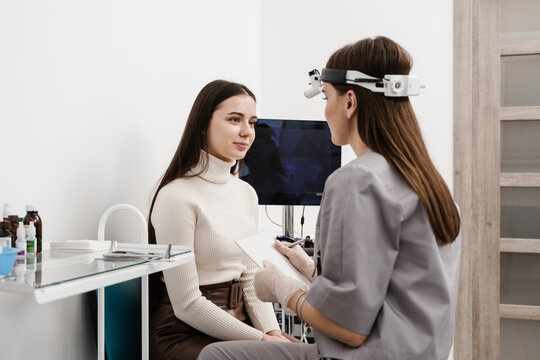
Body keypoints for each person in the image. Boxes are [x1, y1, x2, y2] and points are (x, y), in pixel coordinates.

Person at [198, 36, 462, 360]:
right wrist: (310, 268)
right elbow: (385, 285)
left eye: (326, 97)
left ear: (350, 102)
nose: (325, 111)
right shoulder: (429, 182)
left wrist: (283, 290)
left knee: (215, 356)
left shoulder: (356, 180)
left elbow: (348, 329)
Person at [147, 80, 292, 360]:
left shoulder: (246, 193)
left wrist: (273, 334)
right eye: (234, 119)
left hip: (239, 325)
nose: (246, 132)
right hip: (184, 332)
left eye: (252, 122)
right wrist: (262, 340)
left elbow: (249, 278)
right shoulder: (176, 197)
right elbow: (187, 304)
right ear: (203, 125)